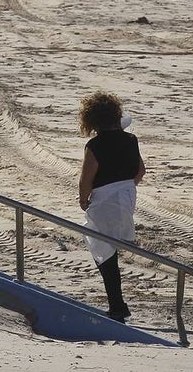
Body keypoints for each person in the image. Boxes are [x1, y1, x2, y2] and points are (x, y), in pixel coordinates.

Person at [78, 91, 145, 322]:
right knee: (106, 247)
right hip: (126, 195)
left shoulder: (95, 145)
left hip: (105, 198)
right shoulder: (131, 139)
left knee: (102, 247)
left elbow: (87, 177)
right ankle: (117, 302)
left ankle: (117, 304)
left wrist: (83, 199)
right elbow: (140, 171)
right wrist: (126, 186)